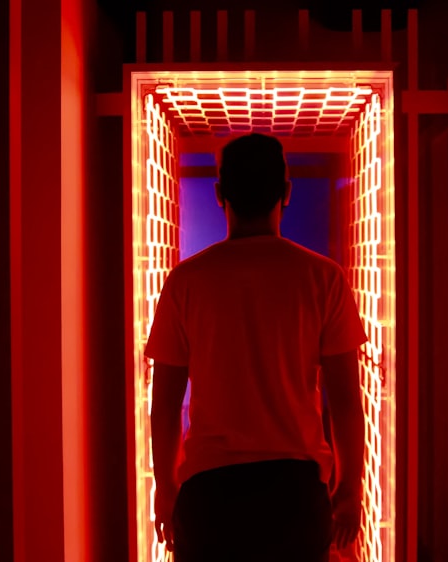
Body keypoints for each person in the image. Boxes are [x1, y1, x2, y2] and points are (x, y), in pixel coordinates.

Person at [146, 133, 368, 562]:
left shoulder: (186, 282)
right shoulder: (323, 278)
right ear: (286, 192)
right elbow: (344, 398)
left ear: (219, 194)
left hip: (210, 492)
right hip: (295, 491)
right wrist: (349, 488)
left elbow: (165, 402)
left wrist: (167, 489)